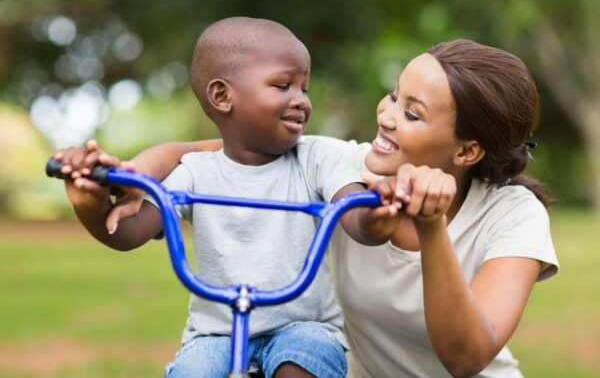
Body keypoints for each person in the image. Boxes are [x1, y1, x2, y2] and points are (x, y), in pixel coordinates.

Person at [59, 39, 559, 377]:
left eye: (411, 113)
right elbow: (193, 152)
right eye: (392, 95)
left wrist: (431, 228)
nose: (385, 115)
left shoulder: (513, 215)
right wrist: (127, 179)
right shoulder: (334, 163)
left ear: (467, 151)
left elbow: (466, 356)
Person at [53, 17, 402, 378]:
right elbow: (128, 233)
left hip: (303, 326)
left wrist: (378, 215)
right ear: (222, 96)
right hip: (215, 332)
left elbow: (357, 219)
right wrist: (89, 206)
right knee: (192, 372)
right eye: (283, 85)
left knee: (300, 364)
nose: (300, 101)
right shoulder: (195, 173)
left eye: (304, 89)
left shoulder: (315, 159)